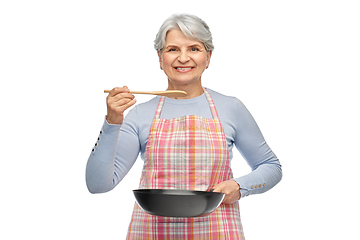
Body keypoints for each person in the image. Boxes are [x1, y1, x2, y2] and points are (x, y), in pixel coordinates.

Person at [86, 13, 282, 239]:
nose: (183, 58)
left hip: (216, 231)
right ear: (160, 58)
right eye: (172, 49)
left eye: (194, 49)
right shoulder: (140, 114)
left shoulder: (231, 108)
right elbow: (97, 184)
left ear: (208, 57)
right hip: (151, 232)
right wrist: (112, 121)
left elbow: (271, 166)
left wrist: (240, 186)